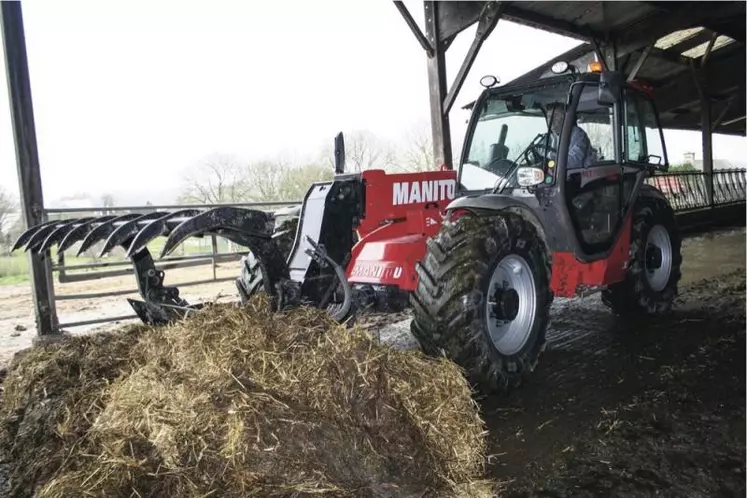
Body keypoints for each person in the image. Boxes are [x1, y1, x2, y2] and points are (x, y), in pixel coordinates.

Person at [544, 103, 596, 170]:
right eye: (548, 116)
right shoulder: (550, 137)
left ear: (565, 118)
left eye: (555, 116)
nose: (551, 120)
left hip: (578, 177)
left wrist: (551, 159)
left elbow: (574, 161)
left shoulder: (578, 134)